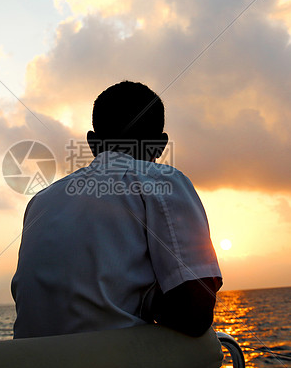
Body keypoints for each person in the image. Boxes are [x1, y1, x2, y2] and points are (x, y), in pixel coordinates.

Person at [12, 81, 222, 339]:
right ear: (161, 145)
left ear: (92, 143)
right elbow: (195, 314)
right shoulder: (160, 181)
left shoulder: (41, 201)